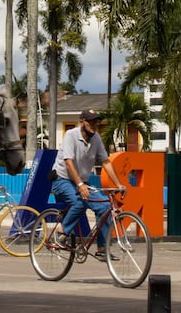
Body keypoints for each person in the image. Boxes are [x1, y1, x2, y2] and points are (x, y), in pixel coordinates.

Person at [52, 109, 126, 262]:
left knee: (105, 206)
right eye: (90, 122)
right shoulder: (71, 135)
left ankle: (102, 249)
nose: (94, 125)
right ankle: (61, 232)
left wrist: (118, 184)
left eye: (96, 122)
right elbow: (68, 162)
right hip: (62, 179)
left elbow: (105, 162)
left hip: (82, 181)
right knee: (80, 202)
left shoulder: (96, 139)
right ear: (82, 122)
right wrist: (80, 184)